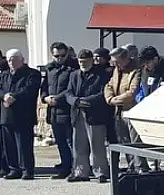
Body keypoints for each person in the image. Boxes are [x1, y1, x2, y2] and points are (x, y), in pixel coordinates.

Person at [65, 49, 111, 183]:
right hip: (78, 113)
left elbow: (103, 93)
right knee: (79, 145)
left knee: (97, 146)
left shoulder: (102, 74)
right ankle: (81, 172)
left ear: (92, 60)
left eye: (85, 61)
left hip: (95, 114)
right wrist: (75, 101)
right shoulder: (74, 75)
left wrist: (86, 101)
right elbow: (68, 92)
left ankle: (100, 172)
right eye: (80, 62)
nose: (83, 64)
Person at [0, 49, 41, 180]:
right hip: (6, 115)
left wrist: (13, 96)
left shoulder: (32, 74)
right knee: (9, 145)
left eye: (14, 59)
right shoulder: (4, 75)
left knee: (24, 145)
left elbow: (30, 89)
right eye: (9, 60)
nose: (11, 62)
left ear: (22, 59)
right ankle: (14, 169)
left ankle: (27, 170)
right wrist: (4, 96)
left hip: (24, 115)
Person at [103, 47, 143, 171]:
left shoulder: (135, 70)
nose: (115, 65)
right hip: (119, 111)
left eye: (117, 62)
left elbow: (133, 91)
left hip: (131, 110)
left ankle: (140, 167)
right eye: (113, 62)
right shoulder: (116, 70)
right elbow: (109, 85)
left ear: (125, 59)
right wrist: (110, 99)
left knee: (135, 141)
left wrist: (117, 99)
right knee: (124, 140)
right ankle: (131, 166)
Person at [41, 42, 76, 178]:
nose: (60, 58)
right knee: (60, 142)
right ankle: (65, 167)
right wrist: (45, 98)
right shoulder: (50, 69)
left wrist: (57, 98)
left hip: (67, 110)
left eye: (62, 55)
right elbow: (44, 87)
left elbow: (71, 88)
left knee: (70, 142)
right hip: (53, 112)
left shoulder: (72, 68)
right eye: (56, 56)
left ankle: (75, 168)